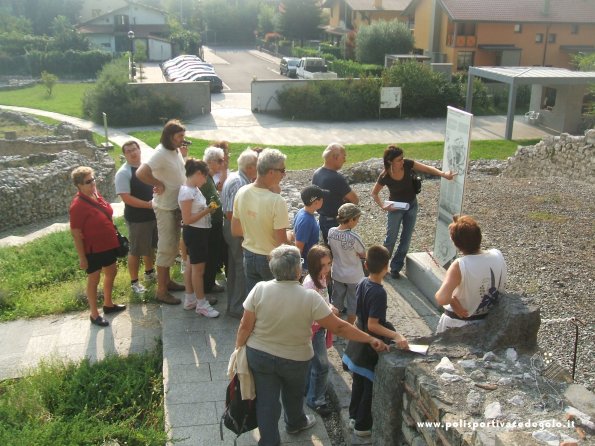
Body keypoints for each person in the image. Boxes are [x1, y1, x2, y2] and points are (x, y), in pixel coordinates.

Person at [234, 245, 388, 446]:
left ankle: (269, 442)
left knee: (266, 401)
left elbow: (245, 326)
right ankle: (295, 422)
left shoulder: (259, 289)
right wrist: (369, 338)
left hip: (260, 355)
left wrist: (238, 350)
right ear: (298, 270)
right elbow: (340, 327)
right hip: (294, 358)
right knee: (293, 393)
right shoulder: (310, 297)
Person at [342, 245, 409, 439]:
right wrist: (396, 336)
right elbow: (373, 325)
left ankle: (353, 417)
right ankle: (363, 425)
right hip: (369, 347)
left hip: (357, 341)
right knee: (368, 388)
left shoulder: (363, 282)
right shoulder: (379, 292)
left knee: (358, 383)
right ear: (387, 267)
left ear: (366, 265)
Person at [371, 145, 456, 279]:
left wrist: (443, 174)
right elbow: (374, 193)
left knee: (406, 239)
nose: (402, 161)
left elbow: (427, 168)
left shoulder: (408, 165)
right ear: (390, 161)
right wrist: (383, 206)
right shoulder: (385, 176)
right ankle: (382, 268)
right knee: (390, 239)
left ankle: (396, 268)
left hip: (411, 206)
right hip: (395, 209)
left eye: (402, 158)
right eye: (399, 160)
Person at [136, 120, 188, 305]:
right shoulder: (159, 153)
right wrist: (157, 183)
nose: (183, 139)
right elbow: (141, 173)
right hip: (165, 207)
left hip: (175, 206)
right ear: (170, 136)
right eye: (180, 136)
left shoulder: (174, 150)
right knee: (166, 247)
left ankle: (167, 281)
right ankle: (161, 291)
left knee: (173, 246)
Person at [69, 166, 126, 327]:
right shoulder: (77, 206)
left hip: (108, 244)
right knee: (94, 279)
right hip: (93, 249)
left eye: (93, 179)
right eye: (88, 181)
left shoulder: (96, 194)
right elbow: (76, 233)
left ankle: (108, 304)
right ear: (79, 185)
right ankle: (94, 314)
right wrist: (82, 257)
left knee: (112, 272)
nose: (93, 183)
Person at [231, 148, 289, 296]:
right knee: (274, 303)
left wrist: (255, 230)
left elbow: (235, 230)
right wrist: (291, 239)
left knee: (254, 302)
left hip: (249, 255)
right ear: (271, 172)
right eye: (282, 170)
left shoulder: (242, 192)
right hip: (270, 259)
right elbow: (281, 243)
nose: (284, 174)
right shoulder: (277, 201)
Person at [435, 215, 507, 333]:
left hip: (459, 323)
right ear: (479, 236)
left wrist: (452, 300)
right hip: (487, 320)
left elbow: (442, 298)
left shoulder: (460, 265)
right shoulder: (497, 254)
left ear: (455, 243)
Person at [178, 158, 220, 318]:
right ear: (197, 174)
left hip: (198, 232)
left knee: (191, 265)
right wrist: (207, 211)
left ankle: (190, 298)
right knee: (198, 270)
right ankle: (201, 304)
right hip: (196, 233)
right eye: (204, 176)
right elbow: (187, 219)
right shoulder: (187, 192)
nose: (206, 180)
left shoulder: (193, 188)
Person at [114, 140, 157, 294]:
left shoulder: (145, 168)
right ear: (125, 155)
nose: (132, 153)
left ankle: (149, 273)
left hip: (153, 215)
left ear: (139, 150)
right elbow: (126, 197)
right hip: (138, 218)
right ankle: (134, 282)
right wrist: (148, 205)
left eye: (134, 149)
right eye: (128, 151)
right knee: (136, 250)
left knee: (150, 246)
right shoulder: (124, 173)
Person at [221, 148, 258, 318]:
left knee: (236, 267)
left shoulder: (238, 178)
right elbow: (230, 213)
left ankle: (234, 305)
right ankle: (237, 307)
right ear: (250, 167)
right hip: (235, 229)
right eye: (257, 166)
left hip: (233, 227)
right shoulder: (239, 183)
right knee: (240, 267)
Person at [303, 245, 337, 417]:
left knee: (312, 363)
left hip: (318, 328)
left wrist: (329, 307)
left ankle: (308, 390)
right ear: (314, 265)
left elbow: (322, 302)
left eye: (329, 264)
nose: (327, 268)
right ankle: (316, 400)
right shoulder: (310, 284)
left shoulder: (321, 278)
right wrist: (329, 312)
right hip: (313, 330)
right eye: (323, 265)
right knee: (322, 366)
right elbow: (311, 311)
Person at [312, 143, 359, 244]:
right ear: (335, 157)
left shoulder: (317, 174)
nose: (345, 160)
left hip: (323, 220)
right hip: (336, 222)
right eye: (343, 157)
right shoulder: (336, 178)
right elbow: (354, 200)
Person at [327, 203, 366, 325]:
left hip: (337, 273)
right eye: (357, 219)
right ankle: (350, 327)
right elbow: (363, 254)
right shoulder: (354, 237)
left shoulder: (331, 231)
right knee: (353, 302)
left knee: (336, 301)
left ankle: (334, 327)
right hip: (354, 276)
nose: (357, 222)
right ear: (351, 219)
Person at [200, 146, 226, 295]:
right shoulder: (204, 178)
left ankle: (209, 283)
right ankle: (207, 287)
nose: (221, 164)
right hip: (209, 223)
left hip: (213, 222)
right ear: (210, 161)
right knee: (210, 255)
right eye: (219, 161)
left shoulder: (208, 177)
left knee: (213, 254)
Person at [293, 185, 325, 276]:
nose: (323, 200)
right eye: (322, 199)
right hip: (307, 266)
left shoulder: (302, 212)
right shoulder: (306, 220)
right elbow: (298, 247)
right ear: (316, 202)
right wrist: (298, 269)